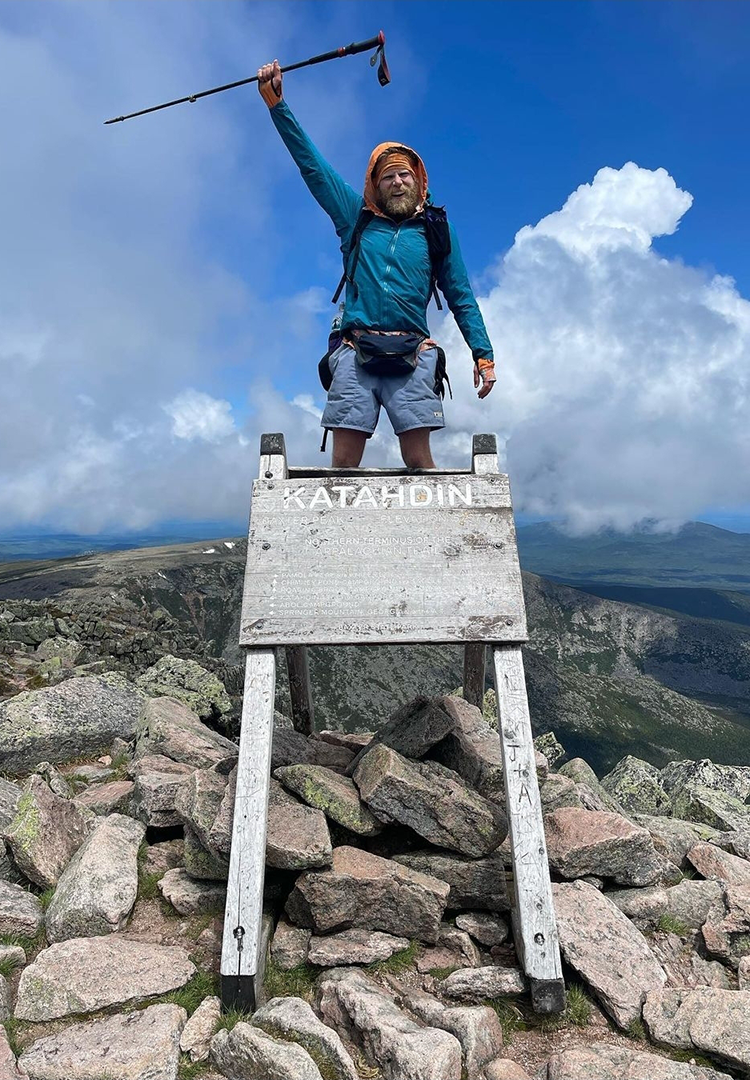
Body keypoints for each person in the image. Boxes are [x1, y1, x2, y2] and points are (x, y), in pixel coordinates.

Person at [257, 59, 495, 468]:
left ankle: (429, 533)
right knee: (344, 464)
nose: (397, 182)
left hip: (414, 352)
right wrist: (278, 106)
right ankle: (334, 534)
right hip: (355, 347)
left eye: (404, 175)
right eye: (388, 177)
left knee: (420, 461)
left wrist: (483, 353)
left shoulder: (437, 231)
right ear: (374, 183)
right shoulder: (356, 219)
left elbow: (461, 295)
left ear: (419, 181)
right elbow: (313, 167)